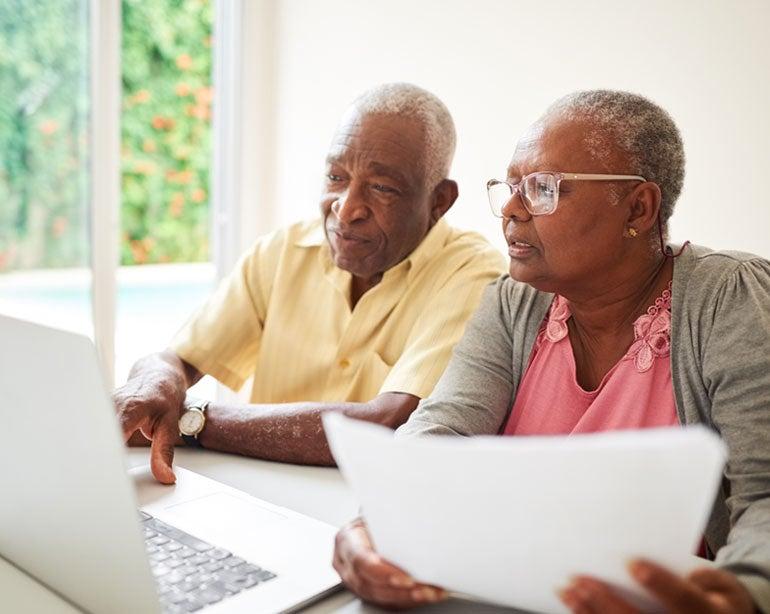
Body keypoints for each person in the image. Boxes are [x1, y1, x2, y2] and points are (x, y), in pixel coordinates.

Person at [332, 90, 770, 613]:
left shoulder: (730, 299)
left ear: (638, 207)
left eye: (543, 189)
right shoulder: (513, 302)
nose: (512, 210)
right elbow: (440, 432)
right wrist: (369, 526)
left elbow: (764, 496)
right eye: (511, 187)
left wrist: (742, 594)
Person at [114, 83, 506, 484]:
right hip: (256, 494)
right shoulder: (284, 251)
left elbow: (392, 423)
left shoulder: (476, 277)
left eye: (382, 188)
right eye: (336, 176)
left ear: (439, 201)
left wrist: (194, 421)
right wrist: (156, 384)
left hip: (364, 517)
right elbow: (177, 359)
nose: (346, 208)